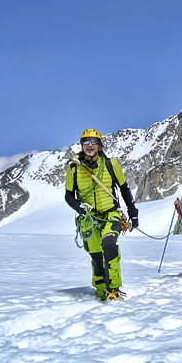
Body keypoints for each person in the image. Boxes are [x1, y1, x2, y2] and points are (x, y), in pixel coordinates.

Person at [65, 129, 139, 301]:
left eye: (94, 142)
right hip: (89, 219)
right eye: (86, 142)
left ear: (100, 146)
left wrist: (133, 214)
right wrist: (79, 207)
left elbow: (125, 190)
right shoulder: (74, 169)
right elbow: (69, 196)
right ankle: (101, 290)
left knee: (109, 244)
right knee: (96, 255)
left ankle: (113, 288)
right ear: (82, 145)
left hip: (110, 214)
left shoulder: (111, 165)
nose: (90, 145)